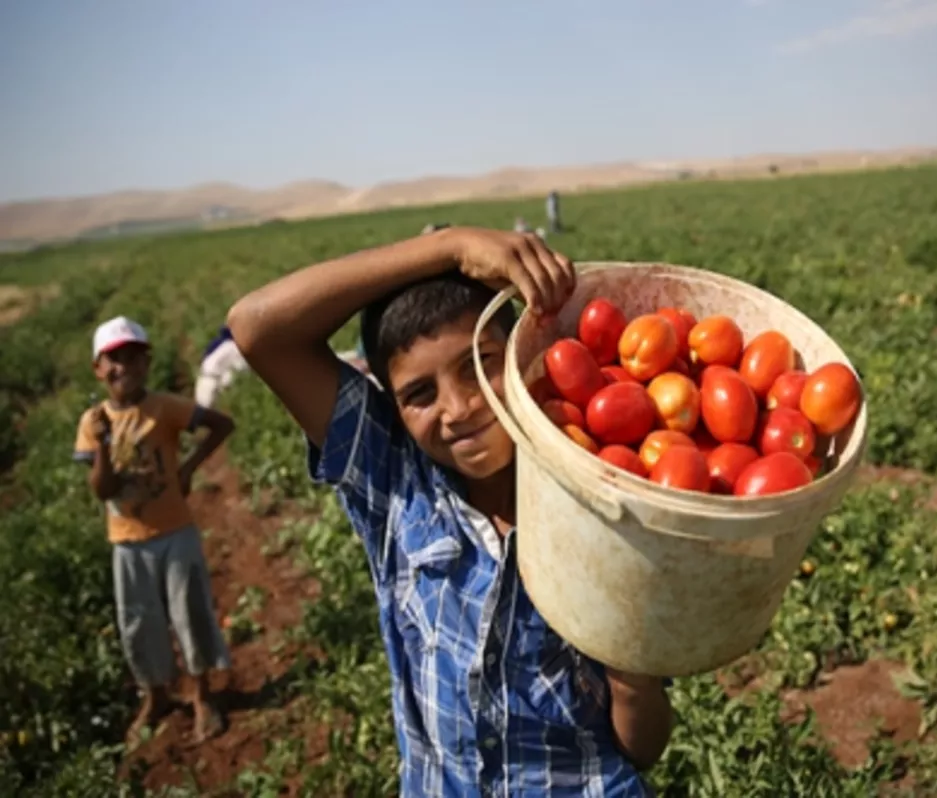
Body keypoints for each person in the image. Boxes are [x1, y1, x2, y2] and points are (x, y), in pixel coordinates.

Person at [226, 227, 673, 795]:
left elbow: (643, 746)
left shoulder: (598, 498)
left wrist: (632, 678)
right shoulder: (394, 481)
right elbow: (257, 328)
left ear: (521, 356)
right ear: (392, 406)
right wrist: (450, 248)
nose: (458, 408)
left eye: (478, 364)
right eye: (419, 394)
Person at [74, 315, 236, 745]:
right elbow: (101, 489)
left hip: (175, 531)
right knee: (138, 624)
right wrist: (105, 445)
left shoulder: (164, 407)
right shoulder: (94, 422)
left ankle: (201, 696)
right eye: (112, 360)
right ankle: (156, 695)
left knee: (190, 615)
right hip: (126, 541)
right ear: (98, 368)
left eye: (131, 357)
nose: (121, 367)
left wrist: (187, 468)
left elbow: (222, 424)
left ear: (146, 363)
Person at [194, 324, 248, 407]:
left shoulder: (217, 343)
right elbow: (241, 367)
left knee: (201, 412)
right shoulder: (233, 347)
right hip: (213, 381)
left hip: (203, 378)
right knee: (208, 414)